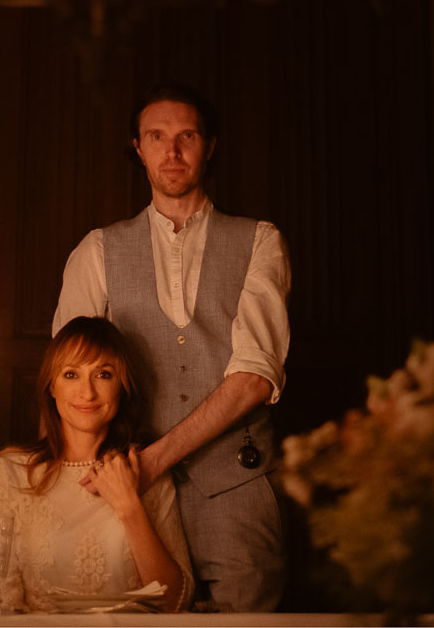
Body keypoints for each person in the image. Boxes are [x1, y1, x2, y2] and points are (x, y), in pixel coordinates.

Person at [53, 82, 291, 611]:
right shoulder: (98, 250)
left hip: (237, 487)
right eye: (156, 137)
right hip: (125, 489)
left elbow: (254, 376)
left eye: (186, 136)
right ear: (138, 148)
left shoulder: (260, 240)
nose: (173, 151)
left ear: (210, 145)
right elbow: (69, 375)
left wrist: (154, 461)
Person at [0, 317, 192, 613]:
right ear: (51, 387)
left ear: (122, 386)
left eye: (103, 374)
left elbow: (174, 602)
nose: (87, 392)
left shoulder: (146, 468)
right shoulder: (9, 471)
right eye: (71, 375)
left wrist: (129, 506)